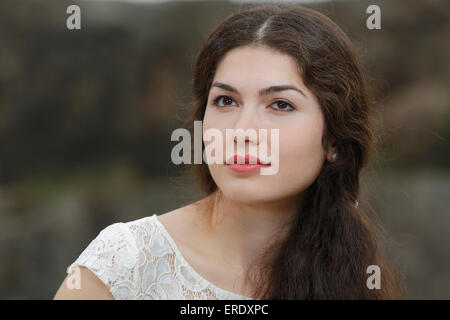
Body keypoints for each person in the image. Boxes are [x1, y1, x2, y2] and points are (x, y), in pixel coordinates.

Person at [54, 3, 404, 300]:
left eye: (280, 105)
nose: (242, 131)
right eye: (225, 101)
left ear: (333, 140)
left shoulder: (354, 274)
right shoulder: (123, 266)